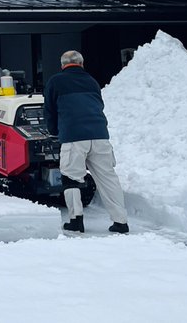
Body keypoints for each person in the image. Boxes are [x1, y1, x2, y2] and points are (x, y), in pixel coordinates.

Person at [42, 50, 129, 234]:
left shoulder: (55, 81)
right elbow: (99, 105)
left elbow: (49, 111)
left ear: (62, 65)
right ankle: (121, 222)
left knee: (71, 177)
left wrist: (55, 132)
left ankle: (76, 220)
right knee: (108, 178)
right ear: (81, 64)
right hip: (100, 135)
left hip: (74, 137)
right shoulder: (91, 81)